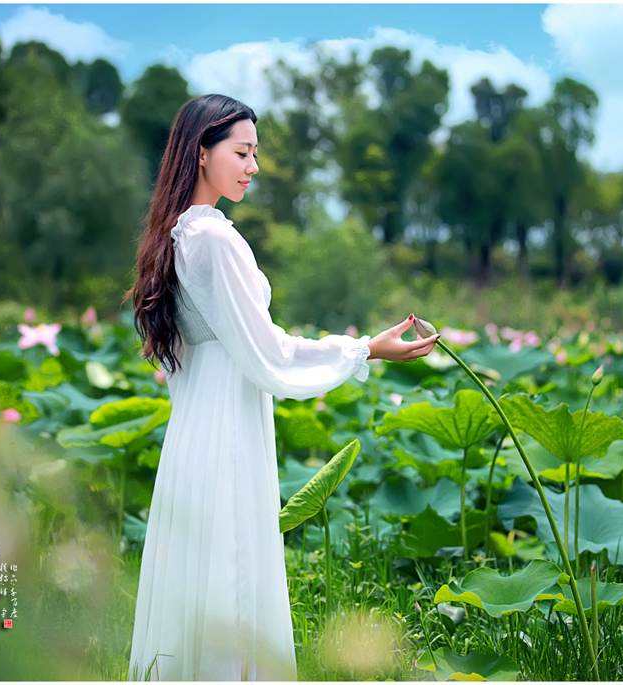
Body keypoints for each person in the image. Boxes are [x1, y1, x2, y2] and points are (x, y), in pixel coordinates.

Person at [124, 94, 439, 681]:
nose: (253, 167)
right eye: (242, 152)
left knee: (206, 578)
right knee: (232, 575)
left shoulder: (177, 235)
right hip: (225, 429)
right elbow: (269, 353)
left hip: (196, 429)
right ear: (201, 153)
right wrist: (364, 348)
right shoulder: (212, 239)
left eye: (255, 154)